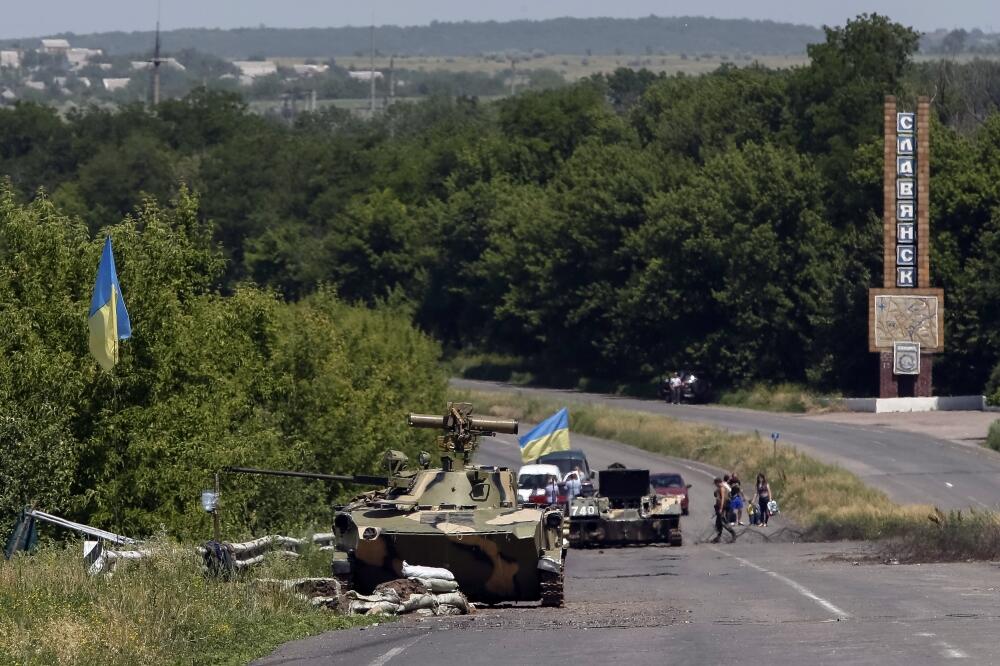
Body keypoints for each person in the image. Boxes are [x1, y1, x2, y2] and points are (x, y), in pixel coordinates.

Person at [711, 477, 736, 543]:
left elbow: (722, 500)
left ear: (718, 482)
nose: (715, 485)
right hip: (720, 507)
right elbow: (717, 499)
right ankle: (718, 537)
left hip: (725, 507)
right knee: (718, 523)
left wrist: (721, 509)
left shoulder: (722, 488)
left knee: (724, 522)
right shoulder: (718, 489)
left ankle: (733, 534)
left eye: (715, 483)